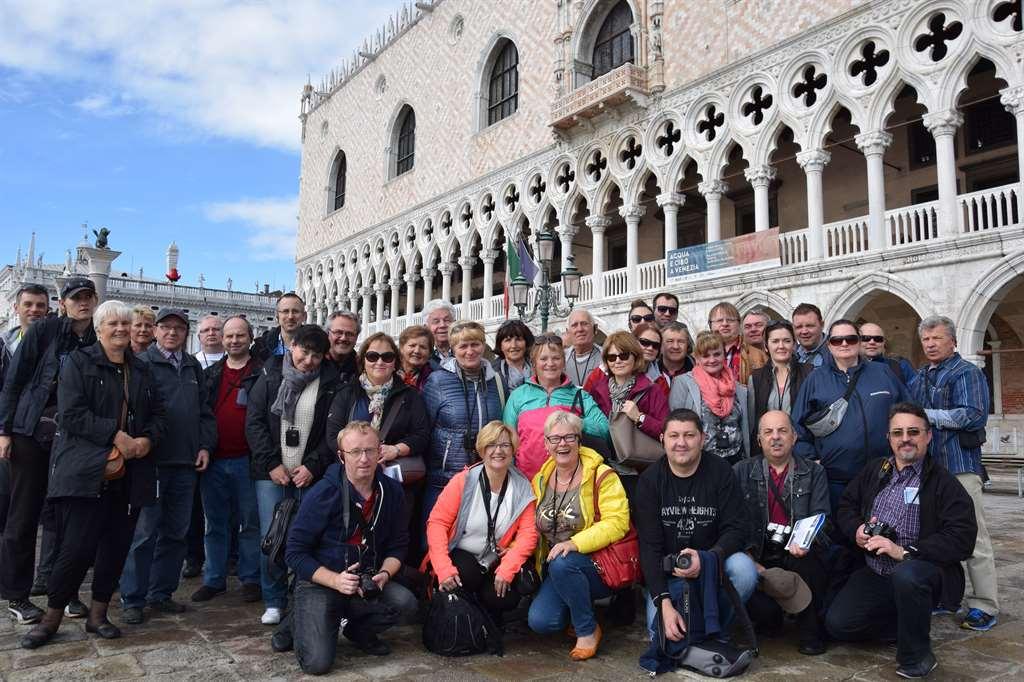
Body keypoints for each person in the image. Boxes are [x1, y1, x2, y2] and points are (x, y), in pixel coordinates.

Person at [19, 301, 166, 648]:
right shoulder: (78, 363)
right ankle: (52, 617)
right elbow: (70, 414)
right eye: (112, 323)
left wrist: (147, 440)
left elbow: (159, 414)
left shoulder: (142, 370)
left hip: (130, 472)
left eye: (125, 324)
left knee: (116, 547)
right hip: (85, 470)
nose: (120, 329)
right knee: (75, 549)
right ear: (99, 328)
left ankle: (98, 615)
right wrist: (115, 435)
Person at [826, 402, 977, 679]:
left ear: (928, 436)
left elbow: (962, 537)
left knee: (907, 576)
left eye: (913, 432)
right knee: (838, 625)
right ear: (889, 438)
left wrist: (903, 551)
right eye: (897, 433)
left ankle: (917, 655)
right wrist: (857, 529)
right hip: (876, 570)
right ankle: (905, 623)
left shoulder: (943, 482)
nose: (905, 438)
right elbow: (846, 506)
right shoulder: (876, 470)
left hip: (921, 568)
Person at [0, 276, 97, 625]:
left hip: (73, 439)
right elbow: (14, 380)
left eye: (88, 297)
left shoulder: (96, 337)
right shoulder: (44, 332)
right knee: (23, 515)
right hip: (30, 431)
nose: (82, 303)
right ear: (64, 302)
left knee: (66, 518)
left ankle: (65, 591)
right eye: (76, 298)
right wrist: (4, 430)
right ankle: (17, 595)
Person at [285, 421, 417, 675]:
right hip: (322, 580)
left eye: (370, 450)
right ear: (341, 456)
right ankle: (298, 620)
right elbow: (295, 552)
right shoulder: (322, 493)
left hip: (365, 578)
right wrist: (335, 580)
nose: (364, 459)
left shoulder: (391, 492)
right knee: (317, 664)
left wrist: (385, 575)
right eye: (355, 452)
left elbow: (399, 545)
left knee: (405, 603)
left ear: (380, 451)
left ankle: (358, 631)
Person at [119, 308, 216, 624]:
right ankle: (133, 597)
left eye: (179, 328)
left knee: (176, 532)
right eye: (166, 327)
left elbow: (204, 411)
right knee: (145, 532)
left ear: (186, 333)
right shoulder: (142, 364)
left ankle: (161, 594)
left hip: (186, 462)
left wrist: (204, 445)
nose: (172, 333)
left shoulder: (191, 366)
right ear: (155, 331)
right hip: (153, 462)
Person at [635, 409, 756, 649]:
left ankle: (715, 628)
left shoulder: (721, 472)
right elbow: (649, 548)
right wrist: (665, 604)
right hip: (671, 577)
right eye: (674, 436)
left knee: (744, 569)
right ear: (662, 439)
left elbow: (736, 528)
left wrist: (708, 558)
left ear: (702, 438)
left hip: (714, 569)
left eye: (689, 435)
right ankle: (688, 622)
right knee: (660, 636)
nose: (681, 443)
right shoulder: (649, 481)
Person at [246, 324, 342, 625]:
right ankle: (274, 599)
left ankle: (303, 595)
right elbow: (255, 421)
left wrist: (313, 466)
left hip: (309, 472)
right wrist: (272, 463)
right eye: (304, 351)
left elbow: (332, 433)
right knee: (271, 536)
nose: (309, 360)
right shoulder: (270, 373)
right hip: (271, 471)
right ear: (292, 347)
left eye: (316, 354)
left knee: (308, 537)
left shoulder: (331, 382)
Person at [909, 316, 997, 631]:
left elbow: (973, 415)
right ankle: (946, 599)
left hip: (960, 467)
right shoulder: (919, 377)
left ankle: (985, 605)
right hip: (927, 471)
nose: (931, 344)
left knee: (973, 537)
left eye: (937, 338)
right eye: (926, 339)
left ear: (953, 341)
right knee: (934, 538)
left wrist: (926, 416)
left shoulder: (967, 372)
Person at [527, 411, 630, 661]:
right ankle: (578, 609)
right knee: (542, 621)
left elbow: (618, 522)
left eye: (569, 437)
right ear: (546, 444)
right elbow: (531, 524)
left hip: (597, 563)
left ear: (579, 440)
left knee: (564, 562)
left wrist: (575, 543)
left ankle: (587, 630)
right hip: (557, 567)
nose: (562, 444)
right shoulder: (540, 479)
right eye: (555, 438)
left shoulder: (601, 475)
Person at [325, 332, 431, 566]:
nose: (380, 362)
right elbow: (333, 436)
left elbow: (422, 434)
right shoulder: (348, 393)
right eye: (372, 356)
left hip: (395, 479)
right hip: (353, 479)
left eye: (387, 356)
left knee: (395, 532)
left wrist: (396, 450)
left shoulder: (409, 396)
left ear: (395, 361)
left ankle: (388, 576)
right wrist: (359, 455)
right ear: (363, 359)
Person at [733, 411, 830, 655]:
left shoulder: (813, 472)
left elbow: (822, 518)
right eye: (768, 432)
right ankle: (769, 618)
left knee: (810, 560)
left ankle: (810, 631)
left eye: (782, 431)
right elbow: (731, 522)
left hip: (796, 551)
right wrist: (748, 557)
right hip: (759, 550)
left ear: (794, 437)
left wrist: (806, 541)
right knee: (766, 616)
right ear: (759, 440)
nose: (775, 437)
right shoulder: (741, 472)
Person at [791, 319, 908, 514]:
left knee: (879, 535)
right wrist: (811, 458)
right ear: (829, 345)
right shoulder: (815, 379)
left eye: (851, 339)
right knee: (840, 536)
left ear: (859, 342)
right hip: (835, 480)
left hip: (884, 475)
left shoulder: (883, 372)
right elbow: (797, 425)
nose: (844, 344)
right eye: (837, 340)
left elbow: (907, 412)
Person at [425, 421, 538, 620]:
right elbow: (437, 523)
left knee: (505, 596)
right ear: (481, 449)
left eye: (505, 445)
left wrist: (507, 568)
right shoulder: (464, 481)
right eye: (491, 445)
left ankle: (487, 615)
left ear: (513, 450)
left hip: (495, 558)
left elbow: (528, 534)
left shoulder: (522, 487)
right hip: (460, 555)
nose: (498, 451)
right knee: (466, 574)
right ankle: (467, 615)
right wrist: (443, 568)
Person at [191, 316, 263, 604]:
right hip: (216, 459)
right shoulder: (211, 374)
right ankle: (214, 578)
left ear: (251, 337)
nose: (234, 340)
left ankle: (250, 578)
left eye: (240, 336)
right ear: (222, 339)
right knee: (215, 522)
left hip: (249, 459)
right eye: (229, 336)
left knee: (250, 522)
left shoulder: (262, 372)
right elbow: (201, 414)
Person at [422, 321, 504, 524]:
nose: (470, 351)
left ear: (483, 345)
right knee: (435, 538)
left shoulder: (497, 381)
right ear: (453, 349)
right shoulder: (438, 380)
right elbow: (425, 429)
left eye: (475, 344)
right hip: (444, 478)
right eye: (463, 346)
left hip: (486, 476)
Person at [501, 333, 608, 480]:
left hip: (570, 480)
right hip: (526, 481)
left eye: (556, 358)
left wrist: (575, 422)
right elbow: (507, 438)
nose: (550, 363)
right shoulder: (518, 396)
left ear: (564, 363)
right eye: (543, 359)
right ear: (534, 364)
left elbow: (604, 428)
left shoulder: (579, 395)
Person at [584, 331, 669, 497]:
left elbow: (667, 430)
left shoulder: (652, 390)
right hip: (605, 469)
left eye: (623, 355)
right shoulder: (597, 390)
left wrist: (640, 417)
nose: (617, 361)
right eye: (612, 357)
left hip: (641, 470)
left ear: (635, 357)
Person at [0, 284, 49, 545]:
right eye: (28, 305)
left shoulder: (54, 345)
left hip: (36, 434)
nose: (34, 310)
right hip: (8, 433)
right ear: (15, 308)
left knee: (31, 509)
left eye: (40, 305)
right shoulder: (4, 345)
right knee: (7, 504)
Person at [669, 331, 751, 464]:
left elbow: (746, 426)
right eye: (706, 356)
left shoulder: (738, 388)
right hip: (700, 461)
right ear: (697, 358)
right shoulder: (683, 383)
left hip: (736, 460)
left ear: (724, 355)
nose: (712, 360)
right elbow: (676, 423)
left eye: (717, 354)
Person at [747, 320, 813, 452]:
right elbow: (753, 421)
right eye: (775, 341)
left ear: (794, 345)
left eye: (787, 341)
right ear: (766, 346)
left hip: (802, 450)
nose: (781, 346)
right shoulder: (756, 378)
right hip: (768, 451)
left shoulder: (809, 373)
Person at [708, 301, 767, 384]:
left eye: (730, 320)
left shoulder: (758, 355)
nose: (725, 324)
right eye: (719, 320)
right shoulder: (698, 356)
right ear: (710, 325)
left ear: (739, 324)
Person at [253, 292, 307, 361]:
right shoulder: (260, 347)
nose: (290, 317)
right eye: (285, 311)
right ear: (277, 316)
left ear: (304, 316)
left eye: (295, 311)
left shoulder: (317, 347)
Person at [491, 319, 534, 391]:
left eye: (518, 339)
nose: (513, 345)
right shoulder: (491, 373)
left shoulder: (539, 368)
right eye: (508, 340)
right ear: (500, 345)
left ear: (526, 342)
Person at [564, 309, 602, 387]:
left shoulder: (608, 358)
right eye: (574, 325)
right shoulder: (561, 359)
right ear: (568, 332)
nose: (580, 329)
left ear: (595, 328)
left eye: (584, 324)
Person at [630, 322, 670, 393]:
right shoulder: (617, 369)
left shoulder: (663, 381)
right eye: (645, 342)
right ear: (633, 341)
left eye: (655, 345)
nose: (650, 348)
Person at [326, 311, 360, 383]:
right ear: (328, 333)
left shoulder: (362, 367)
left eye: (350, 334)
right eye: (338, 332)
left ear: (356, 337)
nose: (343, 338)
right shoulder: (314, 364)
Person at [396, 325, 433, 391]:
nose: (417, 351)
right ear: (401, 348)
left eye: (423, 347)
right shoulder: (389, 371)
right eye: (412, 346)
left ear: (430, 353)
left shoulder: (433, 378)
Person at [792, 303, 828, 368]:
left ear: (822, 325)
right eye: (799, 327)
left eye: (810, 326)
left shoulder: (837, 353)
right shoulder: (790, 355)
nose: (804, 331)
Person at [423, 300, 456, 369]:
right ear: (426, 327)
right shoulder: (421, 354)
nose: (442, 325)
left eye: (447, 320)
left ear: (455, 323)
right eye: (436, 321)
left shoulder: (469, 350)